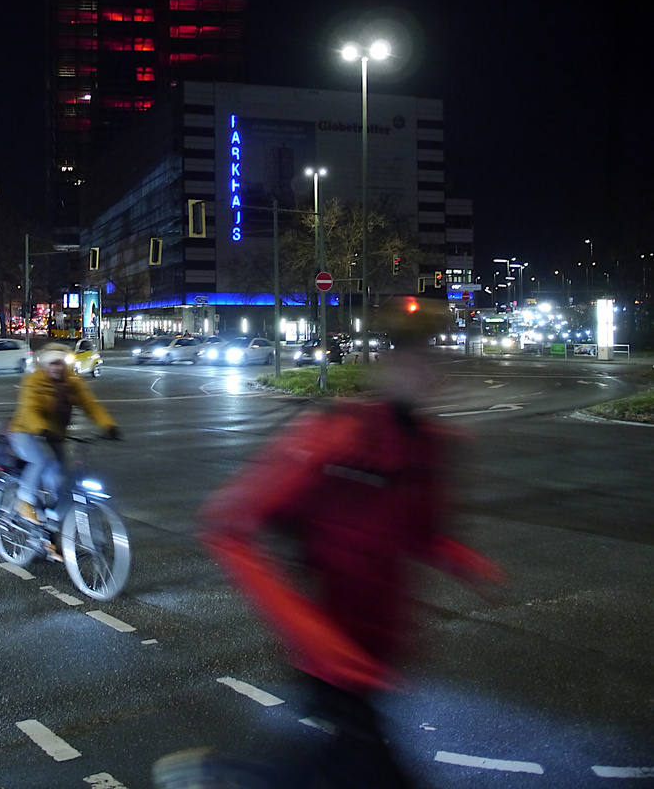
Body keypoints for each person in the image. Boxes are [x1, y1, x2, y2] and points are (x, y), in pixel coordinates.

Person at [155, 298, 504, 789]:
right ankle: (219, 778)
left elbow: (419, 531)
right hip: (329, 654)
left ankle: (220, 777)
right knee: (358, 773)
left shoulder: (428, 445)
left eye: (432, 357)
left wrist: (458, 557)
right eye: (411, 356)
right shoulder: (336, 436)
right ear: (387, 360)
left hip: (378, 652)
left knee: (338, 769)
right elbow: (226, 526)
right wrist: (309, 632)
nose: (424, 370)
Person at [7, 342, 121, 551]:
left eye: (60, 364)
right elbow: (29, 408)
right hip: (24, 431)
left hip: (54, 435)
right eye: (53, 364)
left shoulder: (72, 381)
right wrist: (41, 428)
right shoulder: (34, 381)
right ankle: (24, 501)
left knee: (59, 484)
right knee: (40, 461)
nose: (57, 368)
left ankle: (47, 536)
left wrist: (108, 426)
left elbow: (90, 405)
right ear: (46, 365)